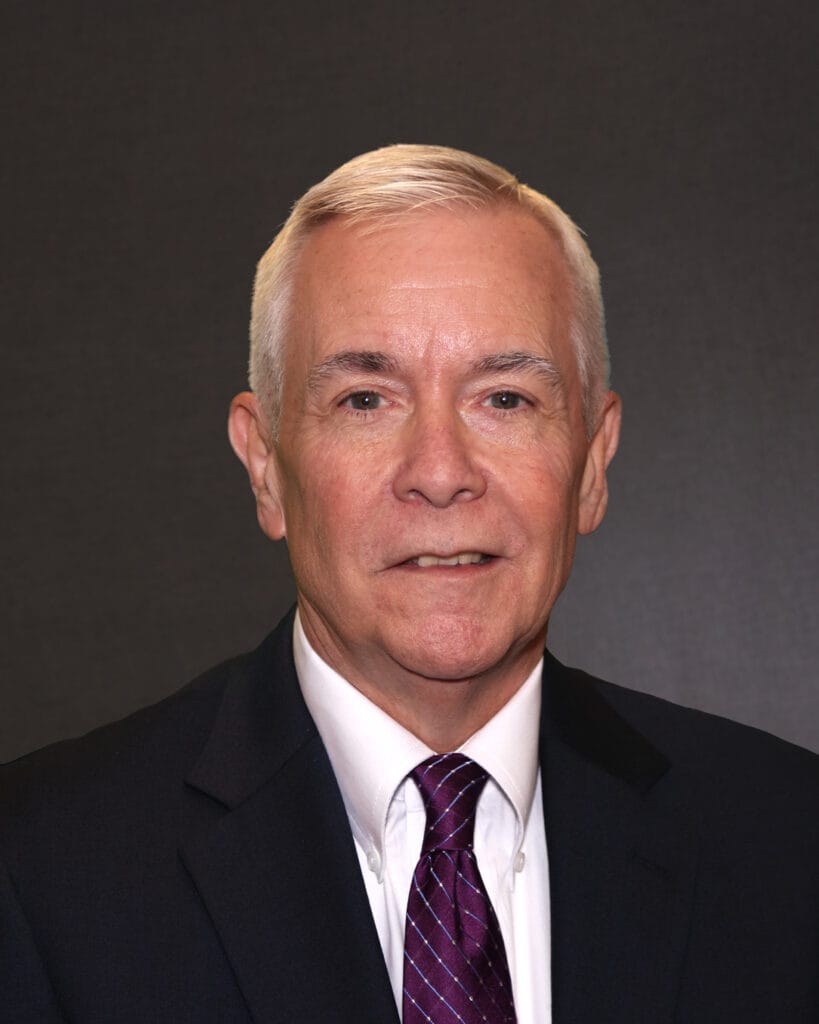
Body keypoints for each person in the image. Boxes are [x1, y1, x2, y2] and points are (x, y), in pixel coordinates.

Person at [1, 145, 817, 1024]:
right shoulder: (40, 869)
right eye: (365, 399)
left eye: (504, 398)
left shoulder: (788, 846)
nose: (439, 471)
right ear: (265, 466)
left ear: (592, 462)